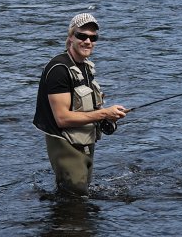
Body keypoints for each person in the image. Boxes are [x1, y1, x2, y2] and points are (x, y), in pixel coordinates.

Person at [33, 13, 127, 196]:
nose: (88, 41)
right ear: (70, 37)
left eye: (93, 38)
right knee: (75, 197)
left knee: (80, 196)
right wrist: (105, 114)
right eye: (82, 36)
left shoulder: (84, 66)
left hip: (83, 141)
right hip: (65, 144)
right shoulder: (59, 70)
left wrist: (106, 114)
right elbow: (62, 118)